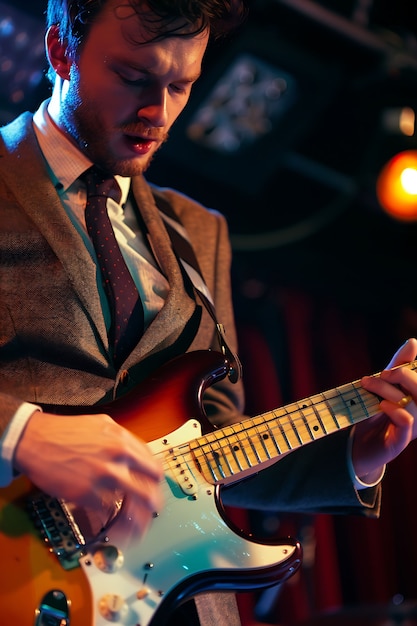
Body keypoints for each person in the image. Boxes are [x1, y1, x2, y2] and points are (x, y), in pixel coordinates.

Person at [0, 0, 417, 624]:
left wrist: (352, 455)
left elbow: (213, 443)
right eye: (134, 77)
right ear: (61, 51)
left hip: (178, 603)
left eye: (179, 85)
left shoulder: (199, 231)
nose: (157, 112)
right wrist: (20, 435)